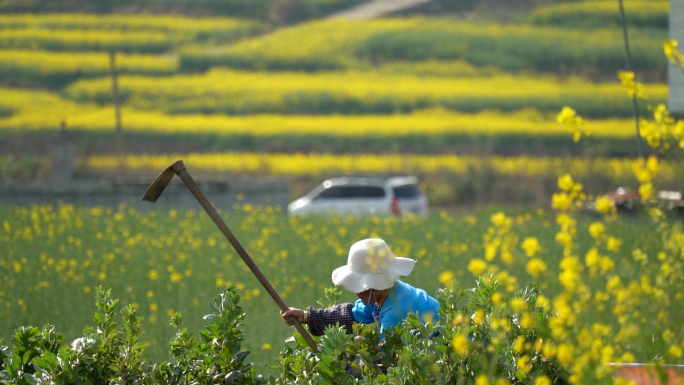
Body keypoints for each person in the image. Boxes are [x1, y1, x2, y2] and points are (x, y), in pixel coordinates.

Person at [281, 238, 440, 337]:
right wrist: (308, 316)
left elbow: (383, 362)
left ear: (374, 286)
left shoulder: (396, 312)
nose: (356, 292)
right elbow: (351, 316)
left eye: (359, 286)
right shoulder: (384, 296)